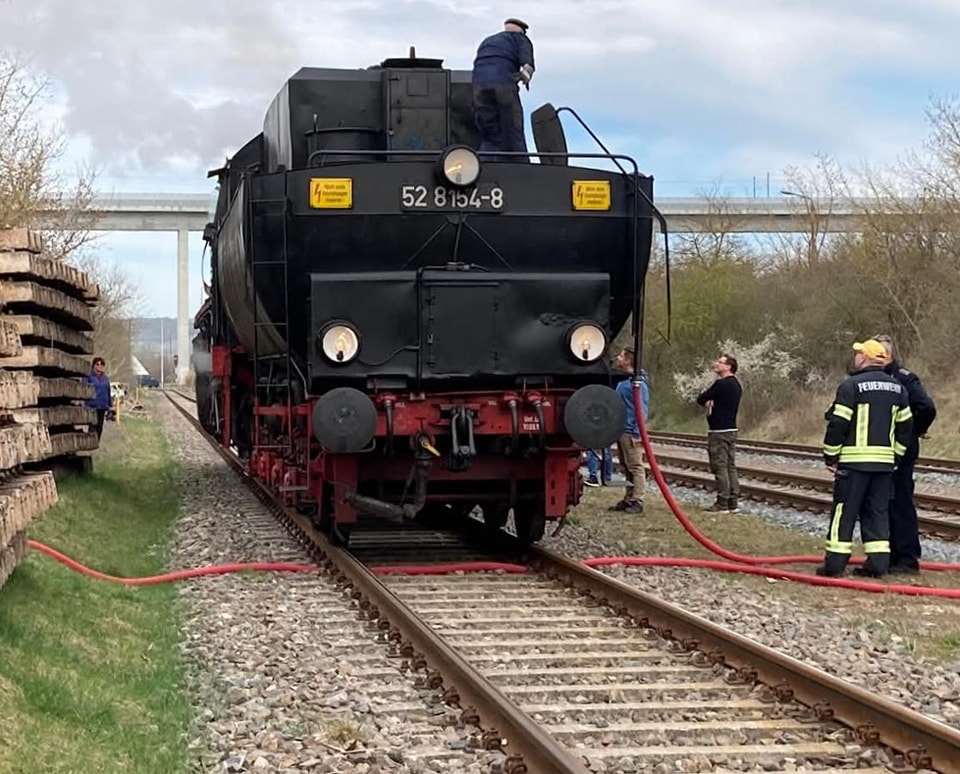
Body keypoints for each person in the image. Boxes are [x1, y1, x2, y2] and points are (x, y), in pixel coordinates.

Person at [817, 339, 913, 578]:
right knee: (877, 513)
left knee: (844, 512)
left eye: (859, 353)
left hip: (853, 464)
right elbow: (905, 428)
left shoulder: (851, 386)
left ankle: (835, 565)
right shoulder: (898, 388)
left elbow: (838, 423)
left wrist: (830, 455)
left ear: (865, 358)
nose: (856, 356)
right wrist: (896, 457)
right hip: (883, 466)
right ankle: (879, 564)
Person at [874, 333, 936, 575]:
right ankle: (888, 555)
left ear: (887, 355)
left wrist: (911, 431)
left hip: (901, 452)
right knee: (883, 504)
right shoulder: (874, 379)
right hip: (882, 451)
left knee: (900, 503)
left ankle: (907, 559)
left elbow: (927, 407)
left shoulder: (905, 379)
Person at [471, 18, 535, 161]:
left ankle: (483, 167)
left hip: (478, 88)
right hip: (503, 85)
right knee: (513, 129)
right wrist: (525, 76)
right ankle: (523, 169)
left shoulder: (488, 41)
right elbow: (527, 64)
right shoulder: (520, 39)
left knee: (490, 134)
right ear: (522, 30)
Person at [695, 354, 742, 513]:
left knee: (720, 466)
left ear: (729, 366)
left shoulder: (721, 384)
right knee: (730, 466)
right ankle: (733, 501)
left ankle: (722, 502)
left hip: (718, 431)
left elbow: (701, 398)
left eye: (720, 362)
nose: (716, 364)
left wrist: (709, 401)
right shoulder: (736, 385)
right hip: (731, 429)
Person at [608, 347, 649, 514]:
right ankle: (628, 497)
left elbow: (642, 408)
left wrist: (637, 432)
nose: (617, 358)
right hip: (621, 428)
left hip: (630, 430)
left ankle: (638, 500)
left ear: (627, 360)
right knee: (626, 465)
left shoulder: (637, 383)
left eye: (621, 356)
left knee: (635, 466)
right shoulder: (623, 381)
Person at [84, 356, 112, 439]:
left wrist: (110, 405)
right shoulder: (89, 377)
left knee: (100, 426)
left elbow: (108, 391)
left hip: (102, 406)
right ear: (93, 365)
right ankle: (90, 441)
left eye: (102, 364)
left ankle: (96, 441)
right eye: (97, 364)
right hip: (92, 405)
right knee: (93, 425)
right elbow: (85, 389)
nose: (100, 366)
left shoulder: (105, 379)